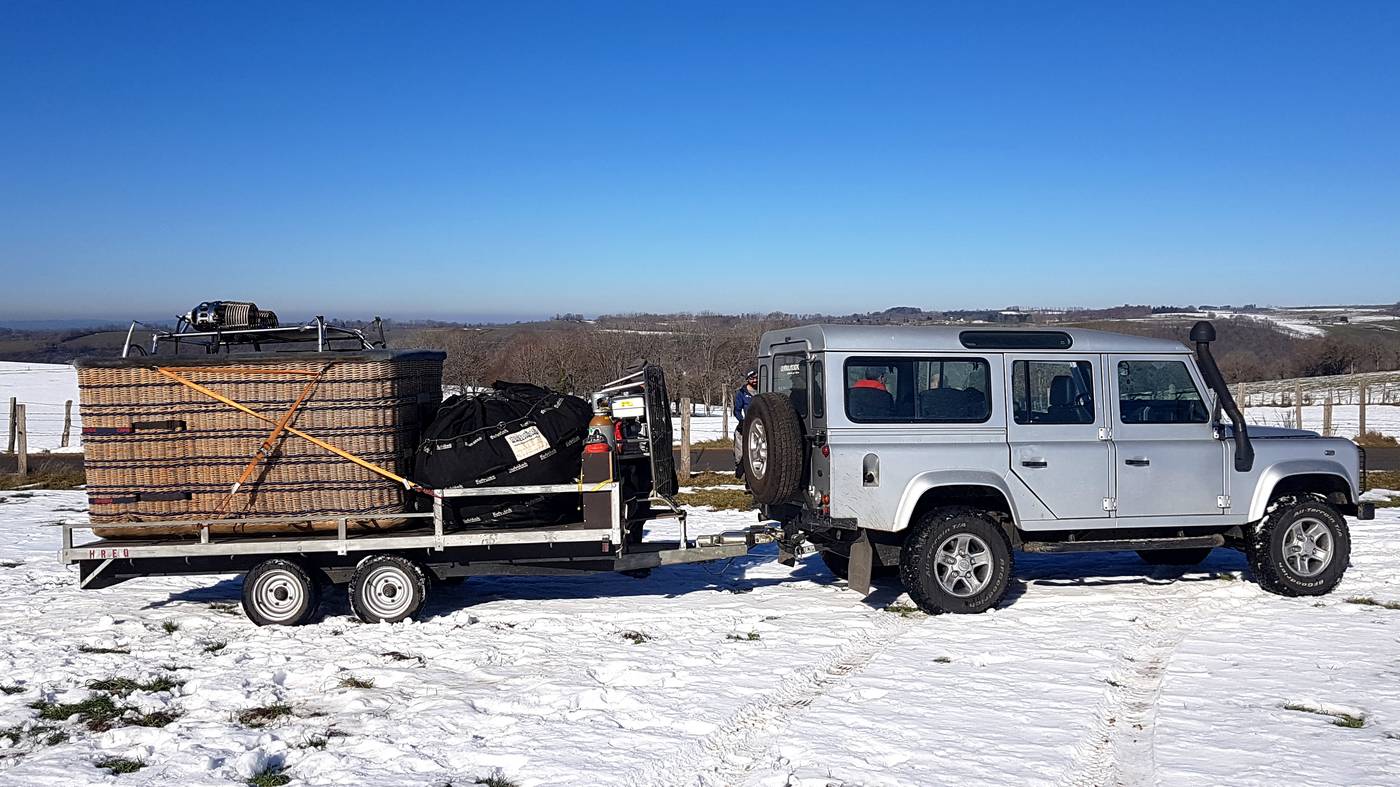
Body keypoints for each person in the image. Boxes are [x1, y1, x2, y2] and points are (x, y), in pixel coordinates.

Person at [733, 369, 758, 477]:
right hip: (746, 424)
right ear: (748, 380)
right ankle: (740, 467)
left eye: (756, 378)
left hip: (760, 424)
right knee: (740, 446)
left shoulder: (763, 390)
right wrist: (741, 421)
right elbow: (737, 410)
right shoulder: (742, 393)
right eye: (752, 378)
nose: (755, 380)